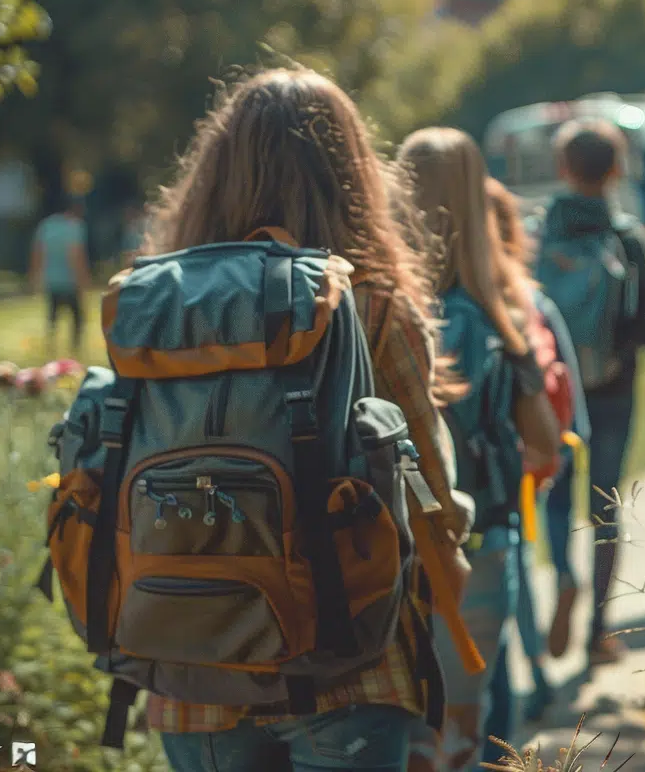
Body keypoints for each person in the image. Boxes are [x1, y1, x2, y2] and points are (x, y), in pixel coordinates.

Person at [132, 69, 477, 772]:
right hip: (344, 663)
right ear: (349, 174)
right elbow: (430, 492)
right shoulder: (376, 307)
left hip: (188, 664)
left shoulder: (153, 305)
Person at [398, 128, 561, 772]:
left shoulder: (372, 307)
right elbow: (544, 441)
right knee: (460, 734)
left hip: (383, 550)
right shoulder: (500, 317)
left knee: (402, 735)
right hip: (480, 538)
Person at [534, 119, 645, 669]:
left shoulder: (540, 233)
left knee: (556, 492)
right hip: (614, 381)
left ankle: (563, 577)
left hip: (554, 387)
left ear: (564, 168)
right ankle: (597, 633)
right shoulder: (630, 236)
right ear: (616, 169)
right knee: (606, 506)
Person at [481, 178, 591, 754]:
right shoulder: (531, 299)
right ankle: (567, 587)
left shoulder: (461, 303)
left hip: (488, 466)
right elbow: (565, 377)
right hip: (541, 451)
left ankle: (525, 680)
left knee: (510, 560)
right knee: (534, 547)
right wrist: (575, 445)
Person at [29, 196, 91, 352]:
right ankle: (75, 348)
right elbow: (76, 255)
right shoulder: (75, 226)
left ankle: (50, 345)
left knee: (53, 315)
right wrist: (82, 278)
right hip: (70, 280)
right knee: (77, 317)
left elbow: (38, 252)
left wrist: (35, 275)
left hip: (51, 279)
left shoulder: (46, 225)